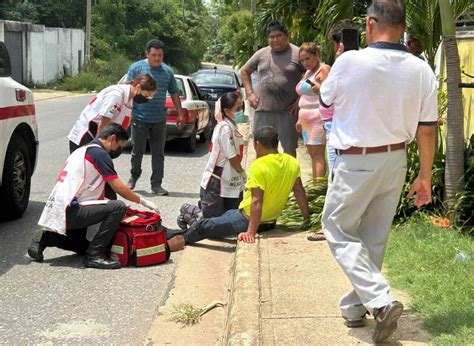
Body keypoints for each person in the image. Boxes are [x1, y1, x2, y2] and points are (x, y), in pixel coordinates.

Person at [319, 0, 437, 343]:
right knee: (373, 237)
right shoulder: (421, 69)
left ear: (370, 25)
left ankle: (381, 302)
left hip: (357, 159)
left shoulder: (349, 61)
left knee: (336, 228)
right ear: (403, 26)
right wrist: (425, 176)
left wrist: (330, 71)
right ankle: (356, 308)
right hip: (395, 160)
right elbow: (427, 128)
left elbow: (325, 101)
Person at [28, 124, 183, 270]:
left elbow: (106, 189)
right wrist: (142, 201)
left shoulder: (84, 149)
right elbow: (117, 185)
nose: (119, 150)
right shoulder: (99, 154)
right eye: (119, 146)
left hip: (58, 210)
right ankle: (94, 256)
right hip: (70, 210)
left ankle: (46, 238)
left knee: (83, 245)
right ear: (112, 138)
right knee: (118, 207)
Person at [173, 126, 310, 245]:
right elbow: (300, 193)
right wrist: (307, 219)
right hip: (269, 222)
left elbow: (257, 202)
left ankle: (174, 234)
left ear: (257, 144)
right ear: (277, 142)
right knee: (220, 219)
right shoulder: (292, 162)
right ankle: (190, 215)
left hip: (246, 219)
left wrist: (250, 232)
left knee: (204, 228)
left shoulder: (259, 165)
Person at [126, 39, 186, 196]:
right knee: (137, 150)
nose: (157, 58)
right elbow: (127, 92)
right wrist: (127, 114)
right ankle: (133, 176)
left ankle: (156, 184)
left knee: (158, 154)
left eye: (160, 55)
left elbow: (174, 92)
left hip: (159, 119)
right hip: (139, 117)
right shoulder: (136, 68)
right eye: (154, 55)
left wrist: (180, 113)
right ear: (147, 54)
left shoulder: (167, 72)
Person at [241, 20, 306, 157]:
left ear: (287, 36)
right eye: (272, 37)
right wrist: (250, 93)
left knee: (289, 152)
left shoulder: (298, 53)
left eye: (279, 36)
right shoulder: (261, 53)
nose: (275, 40)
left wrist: (300, 100)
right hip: (262, 111)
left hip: (288, 113)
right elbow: (244, 71)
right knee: (262, 151)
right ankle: (265, 178)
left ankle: (290, 178)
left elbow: (311, 75)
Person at [67, 73, 157, 153]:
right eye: (147, 95)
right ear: (138, 87)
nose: (146, 99)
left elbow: (123, 126)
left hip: (101, 135)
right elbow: (103, 124)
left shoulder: (129, 101)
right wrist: (99, 148)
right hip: (87, 133)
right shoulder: (116, 95)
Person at [198, 92, 246, 217]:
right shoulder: (224, 128)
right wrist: (243, 173)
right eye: (238, 109)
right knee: (212, 222)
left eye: (242, 108)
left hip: (232, 179)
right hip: (217, 181)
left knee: (231, 220)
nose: (241, 112)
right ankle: (189, 212)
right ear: (226, 110)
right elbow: (232, 157)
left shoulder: (232, 126)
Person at [295, 42, 331, 179]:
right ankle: (315, 181)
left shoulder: (324, 69)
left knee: (318, 155)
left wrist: (318, 90)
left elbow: (329, 92)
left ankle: (318, 186)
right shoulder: (308, 72)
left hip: (317, 117)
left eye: (307, 58)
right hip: (305, 118)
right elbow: (303, 95)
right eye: (302, 60)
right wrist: (299, 118)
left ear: (316, 54)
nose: (305, 62)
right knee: (311, 154)